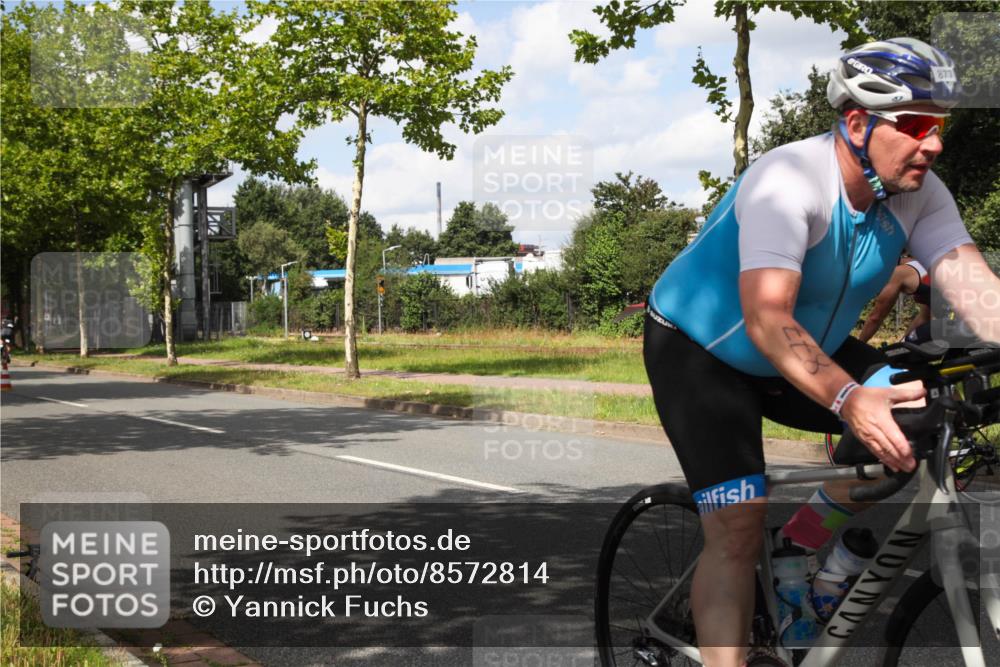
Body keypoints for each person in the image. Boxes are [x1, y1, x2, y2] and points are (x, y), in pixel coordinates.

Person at [644, 37, 1000, 667]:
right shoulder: (787, 181)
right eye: (916, 125)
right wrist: (846, 396)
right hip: (701, 352)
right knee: (737, 525)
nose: (935, 143)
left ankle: (801, 550)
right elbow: (767, 315)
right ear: (858, 123)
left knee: (915, 416)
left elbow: (980, 297)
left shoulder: (920, 193)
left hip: (805, 349)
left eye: (939, 126)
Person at [857, 257, 931, 343]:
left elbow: (875, 318)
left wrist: (859, 345)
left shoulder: (899, 272)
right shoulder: (922, 266)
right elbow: (924, 317)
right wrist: (902, 343)